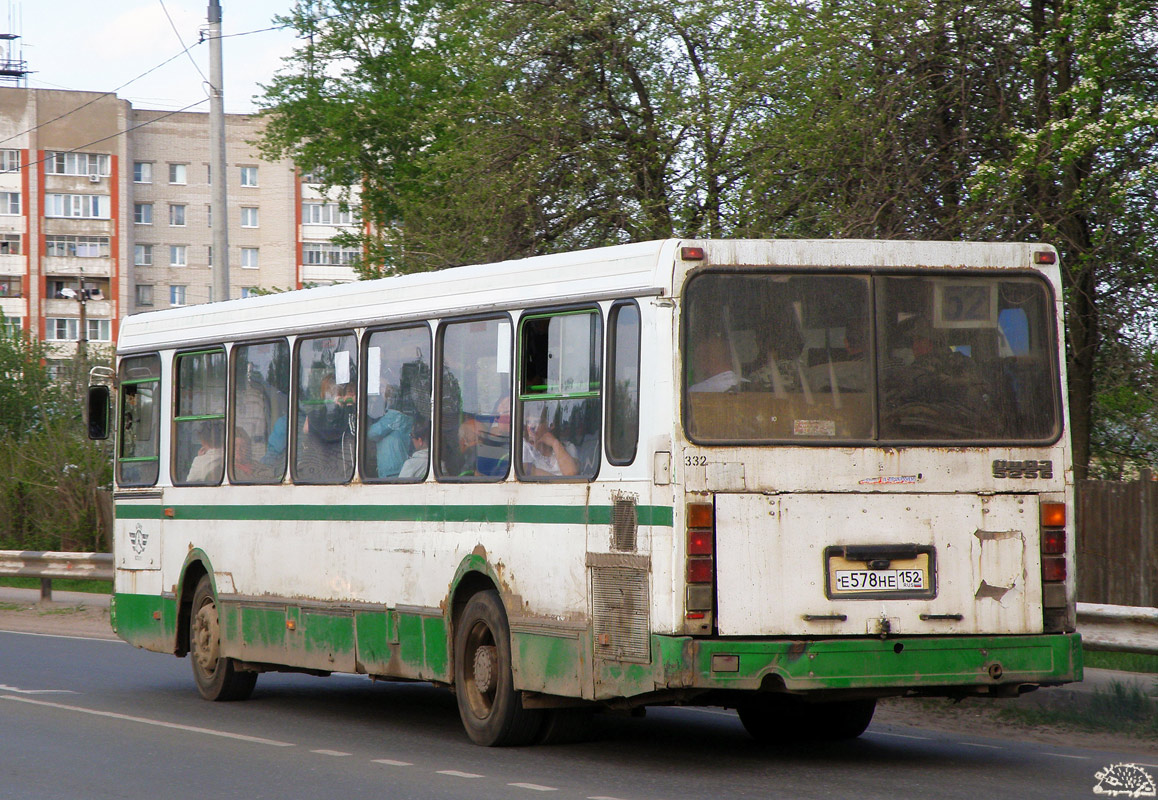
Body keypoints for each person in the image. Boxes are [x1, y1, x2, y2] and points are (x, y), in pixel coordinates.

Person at [521, 403, 579, 477]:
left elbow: (572, 474)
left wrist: (555, 443)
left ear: (550, 425)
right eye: (529, 422)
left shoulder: (568, 447)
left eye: (537, 422)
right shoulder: (524, 448)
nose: (532, 427)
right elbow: (525, 470)